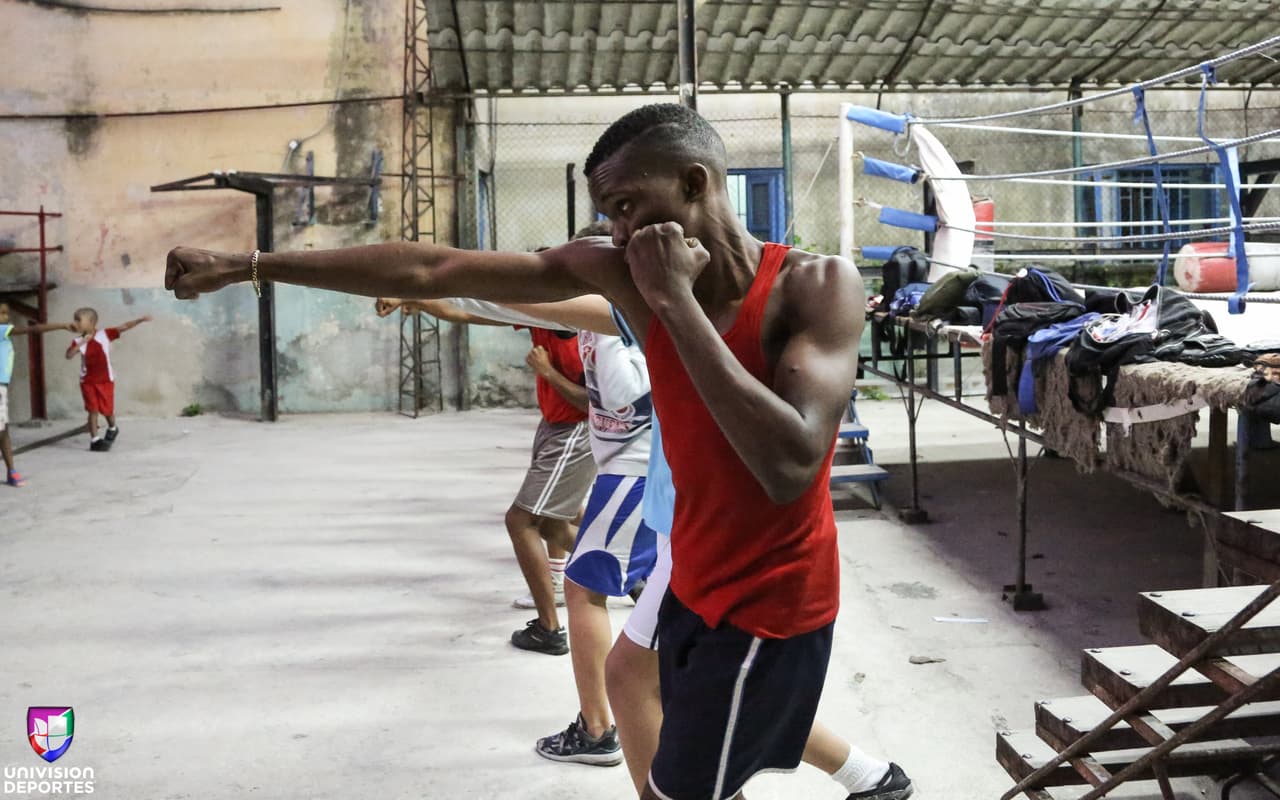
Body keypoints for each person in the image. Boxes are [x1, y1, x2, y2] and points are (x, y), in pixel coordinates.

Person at [165, 102, 912, 800]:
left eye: (627, 208)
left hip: (767, 613)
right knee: (640, 691)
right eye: (607, 216)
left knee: (684, 786)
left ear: (694, 185)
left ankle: (872, 777)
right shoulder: (621, 272)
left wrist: (673, 303)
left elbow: (788, 467)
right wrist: (250, 266)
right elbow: (433, 269)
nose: (617, 234)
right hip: (692, 581)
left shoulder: (815, 286)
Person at [378, 297, 595, 656]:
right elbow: (469, 312)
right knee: (562, 515)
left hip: (577, 431)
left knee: (523, 521)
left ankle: (550, 628)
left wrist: (548, 373)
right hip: (554, 425)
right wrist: (416, 299)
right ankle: (630, 575)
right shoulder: (538, 312)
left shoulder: (595, 335)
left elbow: (594, 403)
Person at [0, 301, 76, 487]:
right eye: (1, 314)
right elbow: (33, 330)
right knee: (3, 432)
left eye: (6, 313)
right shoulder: (2, 330)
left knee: (4, 431)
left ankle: (11, 471)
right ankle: (11, 472)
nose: (6, 318)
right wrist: (62, 325)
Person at [65, 308, 150, 452]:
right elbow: (69, 355)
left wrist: (140, 320)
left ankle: (113, 427)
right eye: (75, 320)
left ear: (91, 322)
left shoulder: (104, 334)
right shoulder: (78, 340)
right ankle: (95, 440)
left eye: (79, 320)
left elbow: (123, 327)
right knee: (92, 410)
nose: (75, 323)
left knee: (107, 411)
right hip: (87, 382)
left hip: (105, 381)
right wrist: (82, 343)